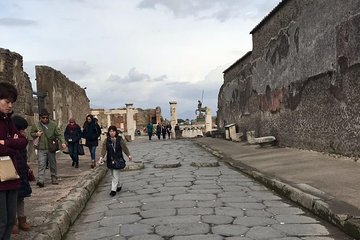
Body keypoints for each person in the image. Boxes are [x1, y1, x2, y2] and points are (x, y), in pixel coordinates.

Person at [0, 82, 28, 240]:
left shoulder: (9, 121)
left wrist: (6, 142)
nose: (10, 106)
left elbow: (23, 141)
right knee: (2, 221)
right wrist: (12, 145)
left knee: (11, 220)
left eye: (12, 103)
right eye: (6, 102)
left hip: (11, 173)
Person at [30, 109, 66, 187]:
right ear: (40, 118)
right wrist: (36, 134)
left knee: (52, 164)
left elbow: (59, 134)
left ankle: (54, 177)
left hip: (51, 147)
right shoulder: (36, 125)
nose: (45, 119)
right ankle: (40, 180)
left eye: (46, 117)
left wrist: (63, 142)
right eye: (43, 117)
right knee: (41, 164)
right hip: (41, 147)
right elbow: (31, 134)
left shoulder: (53, 125)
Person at [11, 116, 32, 234]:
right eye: (21, 129)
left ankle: (22, 219)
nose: (23, 132)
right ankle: (12, 222)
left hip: (22, 171)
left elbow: (24, 156)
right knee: (12, 198)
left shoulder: (22, 139)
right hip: (12, 171)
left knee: (21, 198)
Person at [98, 125, 132, 197]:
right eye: (110, 131)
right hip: (110, 159)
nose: (112, 133)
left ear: (115, 132)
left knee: (115, 174)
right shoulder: (106, 140)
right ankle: (118, 185)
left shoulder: (119, 139)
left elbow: (124, 148)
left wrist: (128, 155)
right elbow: (104, 149)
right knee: (113, 174)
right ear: (109, 132)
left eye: (113, 131)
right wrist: (101, 157)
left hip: (118, 159)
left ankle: (113, 190)